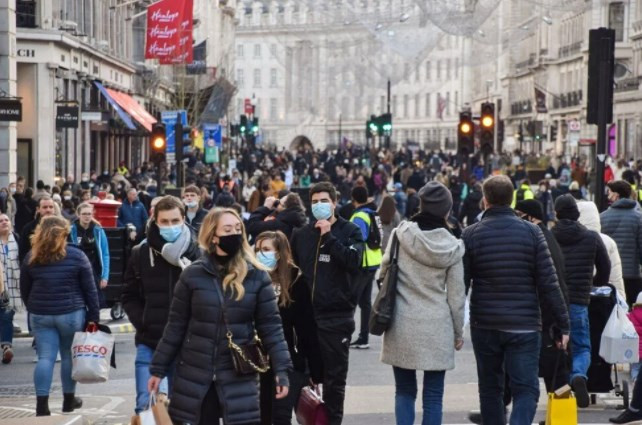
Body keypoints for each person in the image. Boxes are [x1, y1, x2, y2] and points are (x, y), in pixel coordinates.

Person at [148, 208, 292, 425]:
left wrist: (281, 368)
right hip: (197, 374)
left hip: (238, 372)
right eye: (227, 229)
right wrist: (158, 369)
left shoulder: (256, 276)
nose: (234, 233)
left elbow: (271, 327)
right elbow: (175, 326)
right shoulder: (192, 275)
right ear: (213, 236)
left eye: (238, 228)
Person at [463, 175, 570, 425]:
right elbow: (549, 283)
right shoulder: (533, 233)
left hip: (486, 323)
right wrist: (563, 324)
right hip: (524, 324)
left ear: (485, 200)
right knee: (526, 390)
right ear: (512, 200)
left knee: (490, 389)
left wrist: (457, 325)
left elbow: (461, 284)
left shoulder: (470, 234)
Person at [380, 181, 465, 425]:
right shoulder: (454, 247)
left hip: (401, 322)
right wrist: (458, 332)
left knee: (404, 391)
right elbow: (456, 296)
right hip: (437, 325)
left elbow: (382, 274)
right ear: (447, 211)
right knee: (434, 395)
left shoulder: (401, 235)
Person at [290, 182, 365, 425]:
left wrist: (328, 237)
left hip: (336, 317)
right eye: (314, 202)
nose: (319, 206)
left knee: (334, 380)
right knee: (302, 376)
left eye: (324, 201)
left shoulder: (350, 230)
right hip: (305, 317)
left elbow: (354, 261)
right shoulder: (301, 234)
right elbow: (292, 272)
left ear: (334, 203)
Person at [121, 196, 201, 414]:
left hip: (188, 342)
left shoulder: (198, 253)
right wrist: (143, 320)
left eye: (175, 221)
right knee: (146, 407)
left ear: (184, 219)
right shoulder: (141, 253)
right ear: (155, 221)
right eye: (164, 222)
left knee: (183, 409)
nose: (170, 226)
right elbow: (128, 295)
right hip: (151, 340)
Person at [19, 216, 99, 416]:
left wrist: (34, 307)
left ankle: (42, 406)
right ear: (65, 233)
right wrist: (94, 317)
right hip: (71, 313)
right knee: (67, 357)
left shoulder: (32, 256)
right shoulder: (77, 255)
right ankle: (69, 401)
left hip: (41, 313)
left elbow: (24, 290)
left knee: (45, 358)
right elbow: (90, 290)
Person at [255, 230, 323, 425]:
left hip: (289, 361)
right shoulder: (250, 278)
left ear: (279, 252)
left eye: (266, 249)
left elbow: (307, 329)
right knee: (261, 416)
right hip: (255, 360)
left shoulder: (295, 280)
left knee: (281, 416)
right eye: (258, 249)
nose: (261, 254)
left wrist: (315, 370)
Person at [552, 195, 611, 407]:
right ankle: (578, 375)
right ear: (576, 214)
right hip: (579, 299)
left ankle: (559, 395)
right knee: (582, 347)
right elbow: (605, 267)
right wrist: (593, 284)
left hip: (553, 301)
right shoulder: (591, 237)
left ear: (556, 213)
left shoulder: (549, 236)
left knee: (556, 347)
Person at [514, 200, 571, 394]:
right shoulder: (547, 236)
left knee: (546, 369)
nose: (516, 218)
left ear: (530, 216)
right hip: (551, 313)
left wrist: (554, 321)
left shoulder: (538, 238)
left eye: (518, 214)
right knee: (553, 370)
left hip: (544, 315)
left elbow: (549, 283)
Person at [349, 186, 383, 349]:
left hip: (362, 262)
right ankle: (364, 336)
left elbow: (358, 238)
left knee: (352, 300)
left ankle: (348, 335)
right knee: (365, 302)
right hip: (373, 259)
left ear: (353, 199)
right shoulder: (372, 212)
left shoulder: (359, 216)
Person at [601, 180, 642, 306]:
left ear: (616, 195)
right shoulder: (639, 217)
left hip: (610, 274)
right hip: (632, 274)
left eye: (610, 193)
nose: (608, 196)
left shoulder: (602, 217)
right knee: (633, 311)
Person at [577, 200, 626, 301]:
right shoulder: (608, 241)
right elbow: (616, 277)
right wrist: (621, 300)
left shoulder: (574, 239)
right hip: (603, 298)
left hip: (578, 296)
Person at [69, 203, 110, 309]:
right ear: (78, 215)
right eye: (84, 214)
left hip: (94, 271)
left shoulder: (99, 231)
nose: (87, 216)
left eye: (89, 214)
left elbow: (105, 254)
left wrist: (105, 277)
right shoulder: (71, 230)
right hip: (77, 271)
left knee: (94, 304)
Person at [0, 214, 20, 364]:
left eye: (6, 220)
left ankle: (7, 347)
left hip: (13, 285)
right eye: (0, 221)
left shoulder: (17, 239)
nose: (4, 222)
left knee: (7, 316)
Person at [19, 196, 57, 264]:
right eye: (45, 207)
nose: (48, 210)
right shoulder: (28, 228)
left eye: (51, 207)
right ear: (38, 209)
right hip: (36, 266)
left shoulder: (61, 227)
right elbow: (23, 252)